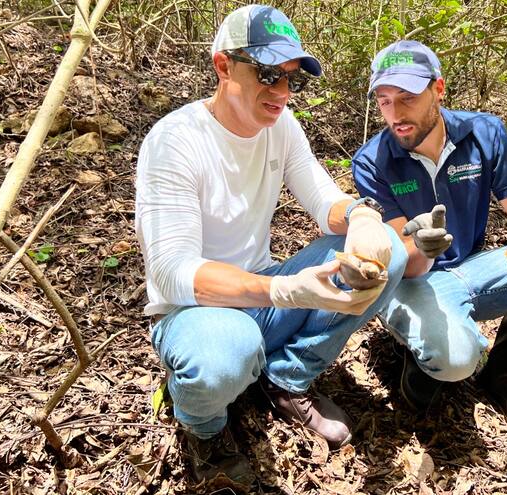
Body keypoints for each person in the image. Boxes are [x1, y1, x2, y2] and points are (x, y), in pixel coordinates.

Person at [134, 6, 407, 491]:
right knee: (224, 355)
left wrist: (364, 217)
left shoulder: (280, 125)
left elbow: (325, 202)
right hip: (196, 313)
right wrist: (287, 290)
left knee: (390, 249)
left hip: (263, 298)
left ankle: (283, 378)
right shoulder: (175, 140)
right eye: (266, 75)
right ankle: (206, 433)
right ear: (223, 66)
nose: (281, 94)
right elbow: (173, 272)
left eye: (290, 80)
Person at [352, 40, 507, 435]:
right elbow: (401, 261)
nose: (395, 114)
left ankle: (503, 376)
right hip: (415, 281)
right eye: (383, 101)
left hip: (473, 266)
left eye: (407, 97)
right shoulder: (372, 160)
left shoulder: (484, 134)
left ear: (438, 89)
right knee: (455, 360)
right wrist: (421, 245)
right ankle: (423, 366)